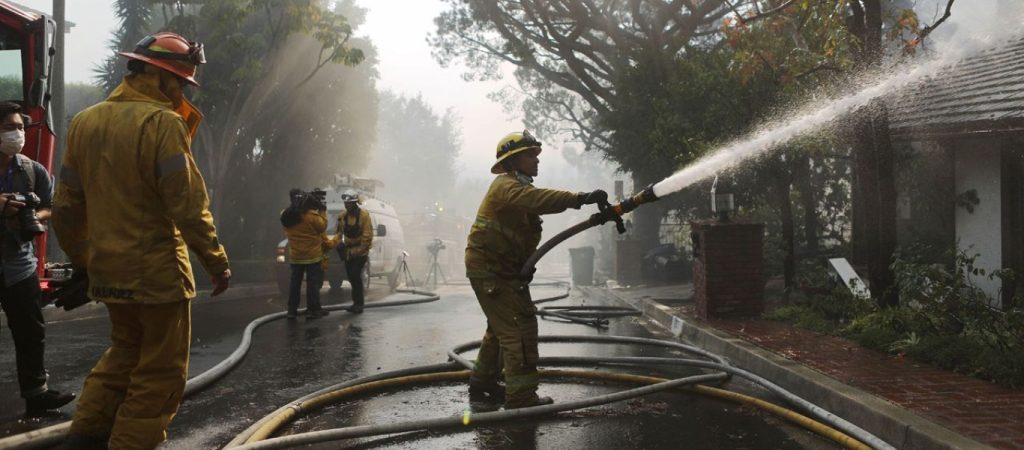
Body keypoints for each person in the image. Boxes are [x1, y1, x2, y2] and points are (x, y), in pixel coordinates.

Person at [52, 32, 231, 450]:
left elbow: (65, 208)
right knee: (159, 373)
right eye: (178, 80)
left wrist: (85, 260)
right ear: (156, 74)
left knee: (124, 355)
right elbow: (188, 205)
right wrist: (216, 262)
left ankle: (83, 438)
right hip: (158, 275)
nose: (181, 89)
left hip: (108, 271)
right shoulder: (162, 123)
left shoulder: (85, 122)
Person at [464, 130, 606, 409]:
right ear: (513, 161)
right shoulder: (506, 186)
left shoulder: (519, 194)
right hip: (492, 271)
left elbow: (524, 237)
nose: (536, 160)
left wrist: (523, 267)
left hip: (502, 271)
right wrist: (581, 197)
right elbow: (539, 199)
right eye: (531, 155)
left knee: (500, 328)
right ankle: (521, 398)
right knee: (519, 329)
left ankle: (482, 383)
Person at [0, 101, 75, 416]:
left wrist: (32, 216)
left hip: (19, 267)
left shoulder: (32, 170)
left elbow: (50, 204)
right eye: (9, 127)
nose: (17, 133)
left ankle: (37, 394)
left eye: (20, 127)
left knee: (31, 333)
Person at [281, 189, 331, 320]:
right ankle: (314, 310)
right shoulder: (312, 217)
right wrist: (322, 210)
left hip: (296, 257)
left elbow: (285, 228)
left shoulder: (285, 215)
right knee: (312, 284)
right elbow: (323, 226)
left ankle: (291, 311)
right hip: (312, 257)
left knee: (295, 284)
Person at [335, 189, 372, 313]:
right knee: (351, 276)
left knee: (355, 275)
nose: (347, 206)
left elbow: (367, 237)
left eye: (350, 203)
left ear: (355, 203)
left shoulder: (364, 215)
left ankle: (359, 304)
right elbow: (338, 234)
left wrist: (357, 251)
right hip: (349, 251)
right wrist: (338, 244)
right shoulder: (342, 216)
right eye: (346, 204)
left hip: (361, 252)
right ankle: (355, 303)